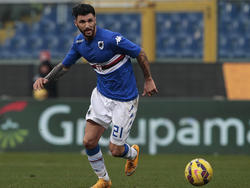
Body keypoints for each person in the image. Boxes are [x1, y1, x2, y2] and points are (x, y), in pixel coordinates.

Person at [33, 3, 158, 188]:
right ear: (76, 23)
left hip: (124, 100)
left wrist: (148, 79)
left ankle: (132, 154)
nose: (87, 25)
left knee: (115, 150)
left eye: (90, 20)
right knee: (89, 141)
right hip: (101, 96)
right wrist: (47, 79)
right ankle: (104, 180)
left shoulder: (111, 39)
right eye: (82, 21)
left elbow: (140, 53)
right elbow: (65, 66)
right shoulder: (79, 44)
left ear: (95, 20)